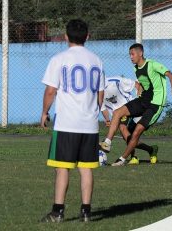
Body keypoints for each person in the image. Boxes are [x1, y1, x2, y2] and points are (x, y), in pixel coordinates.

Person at [40, 19, 105, 223]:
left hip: (67, 124)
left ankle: (57, 212)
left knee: (62, 168)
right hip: (89, 125)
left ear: (66, 37)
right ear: (87, 36)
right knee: (86, 169)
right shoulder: (97, 60)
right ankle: (86, 212)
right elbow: (100, 93)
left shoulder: (59, 59)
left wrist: (44, 112)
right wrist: (95, 110)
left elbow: (51, 90)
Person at [99, 43, 172, 166]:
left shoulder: (152, 64)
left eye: (132, 54)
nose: (131, 57)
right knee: (117, 113)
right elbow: (142, 84)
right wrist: (140, 91)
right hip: (143, 100)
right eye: (129, 55)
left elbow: (169, 74)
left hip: (155, 104)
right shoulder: (136, 68)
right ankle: (107, 142)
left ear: (140, 53)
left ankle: (122, 159)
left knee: (136, 132)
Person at [101, 75, 158, 165]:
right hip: (117, 114)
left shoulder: (114, 80)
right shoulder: (96, 93)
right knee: (127, 136)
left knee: (124, 129)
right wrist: (107, 120)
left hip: (128, 106)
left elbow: (136, 84)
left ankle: (108, 143)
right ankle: (150, 149)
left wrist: (140, 97)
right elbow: (103, 108)